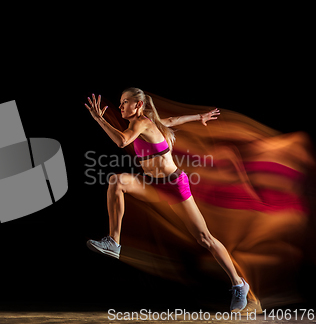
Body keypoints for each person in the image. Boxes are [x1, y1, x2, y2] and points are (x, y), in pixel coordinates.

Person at [84, 87, 249, 312]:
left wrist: (99, 120)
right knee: (117, 182)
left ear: (138, 105)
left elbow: (122, 142)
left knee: (205, 238)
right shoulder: (150, 121)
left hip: (173, 185)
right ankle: (114, 242)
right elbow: (172, 120)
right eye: (121, 102)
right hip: (152, 184)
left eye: (124, 102)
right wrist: (198, 117)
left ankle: (239, 284)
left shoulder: (140, 123)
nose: (120, 106)